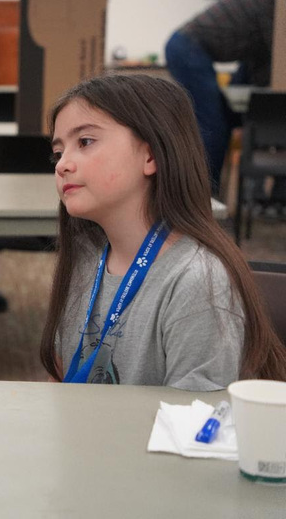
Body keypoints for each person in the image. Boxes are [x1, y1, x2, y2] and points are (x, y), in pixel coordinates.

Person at [40, 73, 286, 390]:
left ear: (151, 155)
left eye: (85, 142)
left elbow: (193, 427)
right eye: (58, 153)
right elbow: (58, 380)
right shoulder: (86, 259)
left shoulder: (196, 282)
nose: (62, 165)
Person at [165, 0, 277, 196]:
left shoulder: (267, 0)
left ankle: (216, 192)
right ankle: (205, 196)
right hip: (188, 49)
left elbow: (262, 63)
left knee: (228, 119)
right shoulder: (274, 9)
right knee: (213, 126)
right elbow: (274, 60)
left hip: (190, 48)